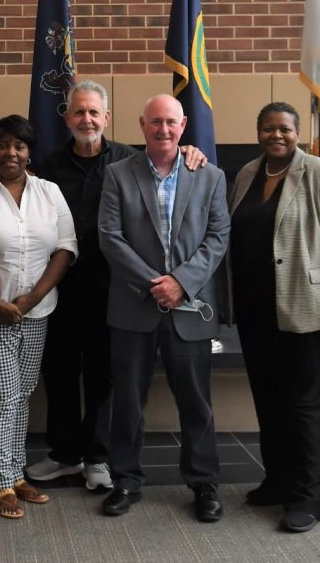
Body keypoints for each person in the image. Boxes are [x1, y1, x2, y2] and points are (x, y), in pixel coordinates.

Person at [25, 79, 206, 492]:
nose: (86, 119)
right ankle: (66, 454)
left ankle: (99, 457)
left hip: (120, 290)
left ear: (106, 118)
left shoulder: (130, 161)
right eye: (78, 112)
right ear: (67, 118)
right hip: (60, 289)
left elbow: (170, 168)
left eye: (94, 112)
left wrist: (191, 151)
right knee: (62, 374)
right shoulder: (47, 168)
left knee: (107, 378)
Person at [228, 102, 320, 533]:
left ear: (297, 132)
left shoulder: (319, 173)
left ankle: (310, 497)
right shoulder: (247, 174)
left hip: (311, 310)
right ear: (258, 132)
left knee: (308, 405)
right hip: (256, 311)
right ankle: (279, 480)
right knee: (270, 400)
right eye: (268, 129)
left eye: (284, 129)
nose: (276, 136)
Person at [97, 94, 229, 522]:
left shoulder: (209, 176)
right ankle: (126, 482)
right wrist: (156, 285)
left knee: (195, 403)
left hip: (190, 309)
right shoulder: (118, 173)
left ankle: (203, 483)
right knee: (128, 402)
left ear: (184, 123)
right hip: (134, 307)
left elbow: (218, 236)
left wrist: (182, 284)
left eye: (171, 122)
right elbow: (110, 236)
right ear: (142, 124)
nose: (163, 130)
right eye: (155, 122)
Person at [0, 115, 77, 520]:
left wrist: (31, 299)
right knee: (2, 398)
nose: (11, 153)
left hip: (36, 312)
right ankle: (2, 480)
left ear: (29, 152)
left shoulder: (50, 192)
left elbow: (66, 248)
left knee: (21, 396)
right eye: (3, 145)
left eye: (19, 146)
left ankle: (16, 474)